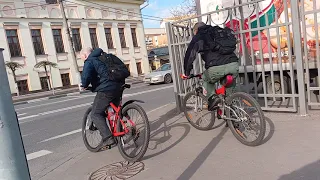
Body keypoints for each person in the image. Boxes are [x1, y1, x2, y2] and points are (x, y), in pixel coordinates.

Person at [183, 22, 239, 110]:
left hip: (216, 67)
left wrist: (186, 72)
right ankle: (233, 117)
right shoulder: (219, 31)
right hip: (234, 64)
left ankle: (213, 97)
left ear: (196, 30)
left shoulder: (200, 35)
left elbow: (190, 55)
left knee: (205, 78)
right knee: (229, 96)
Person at [80, 47, 124, 147]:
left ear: (85, 55)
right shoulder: (106, 57)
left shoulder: (90, 60)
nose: (82, 59)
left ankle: (108, 138)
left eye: (82, 58)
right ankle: (120, 131)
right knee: (115, 111)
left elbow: (86, 77)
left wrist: (84, 85)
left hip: (106, 89)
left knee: (95, 114)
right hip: (119, 86)